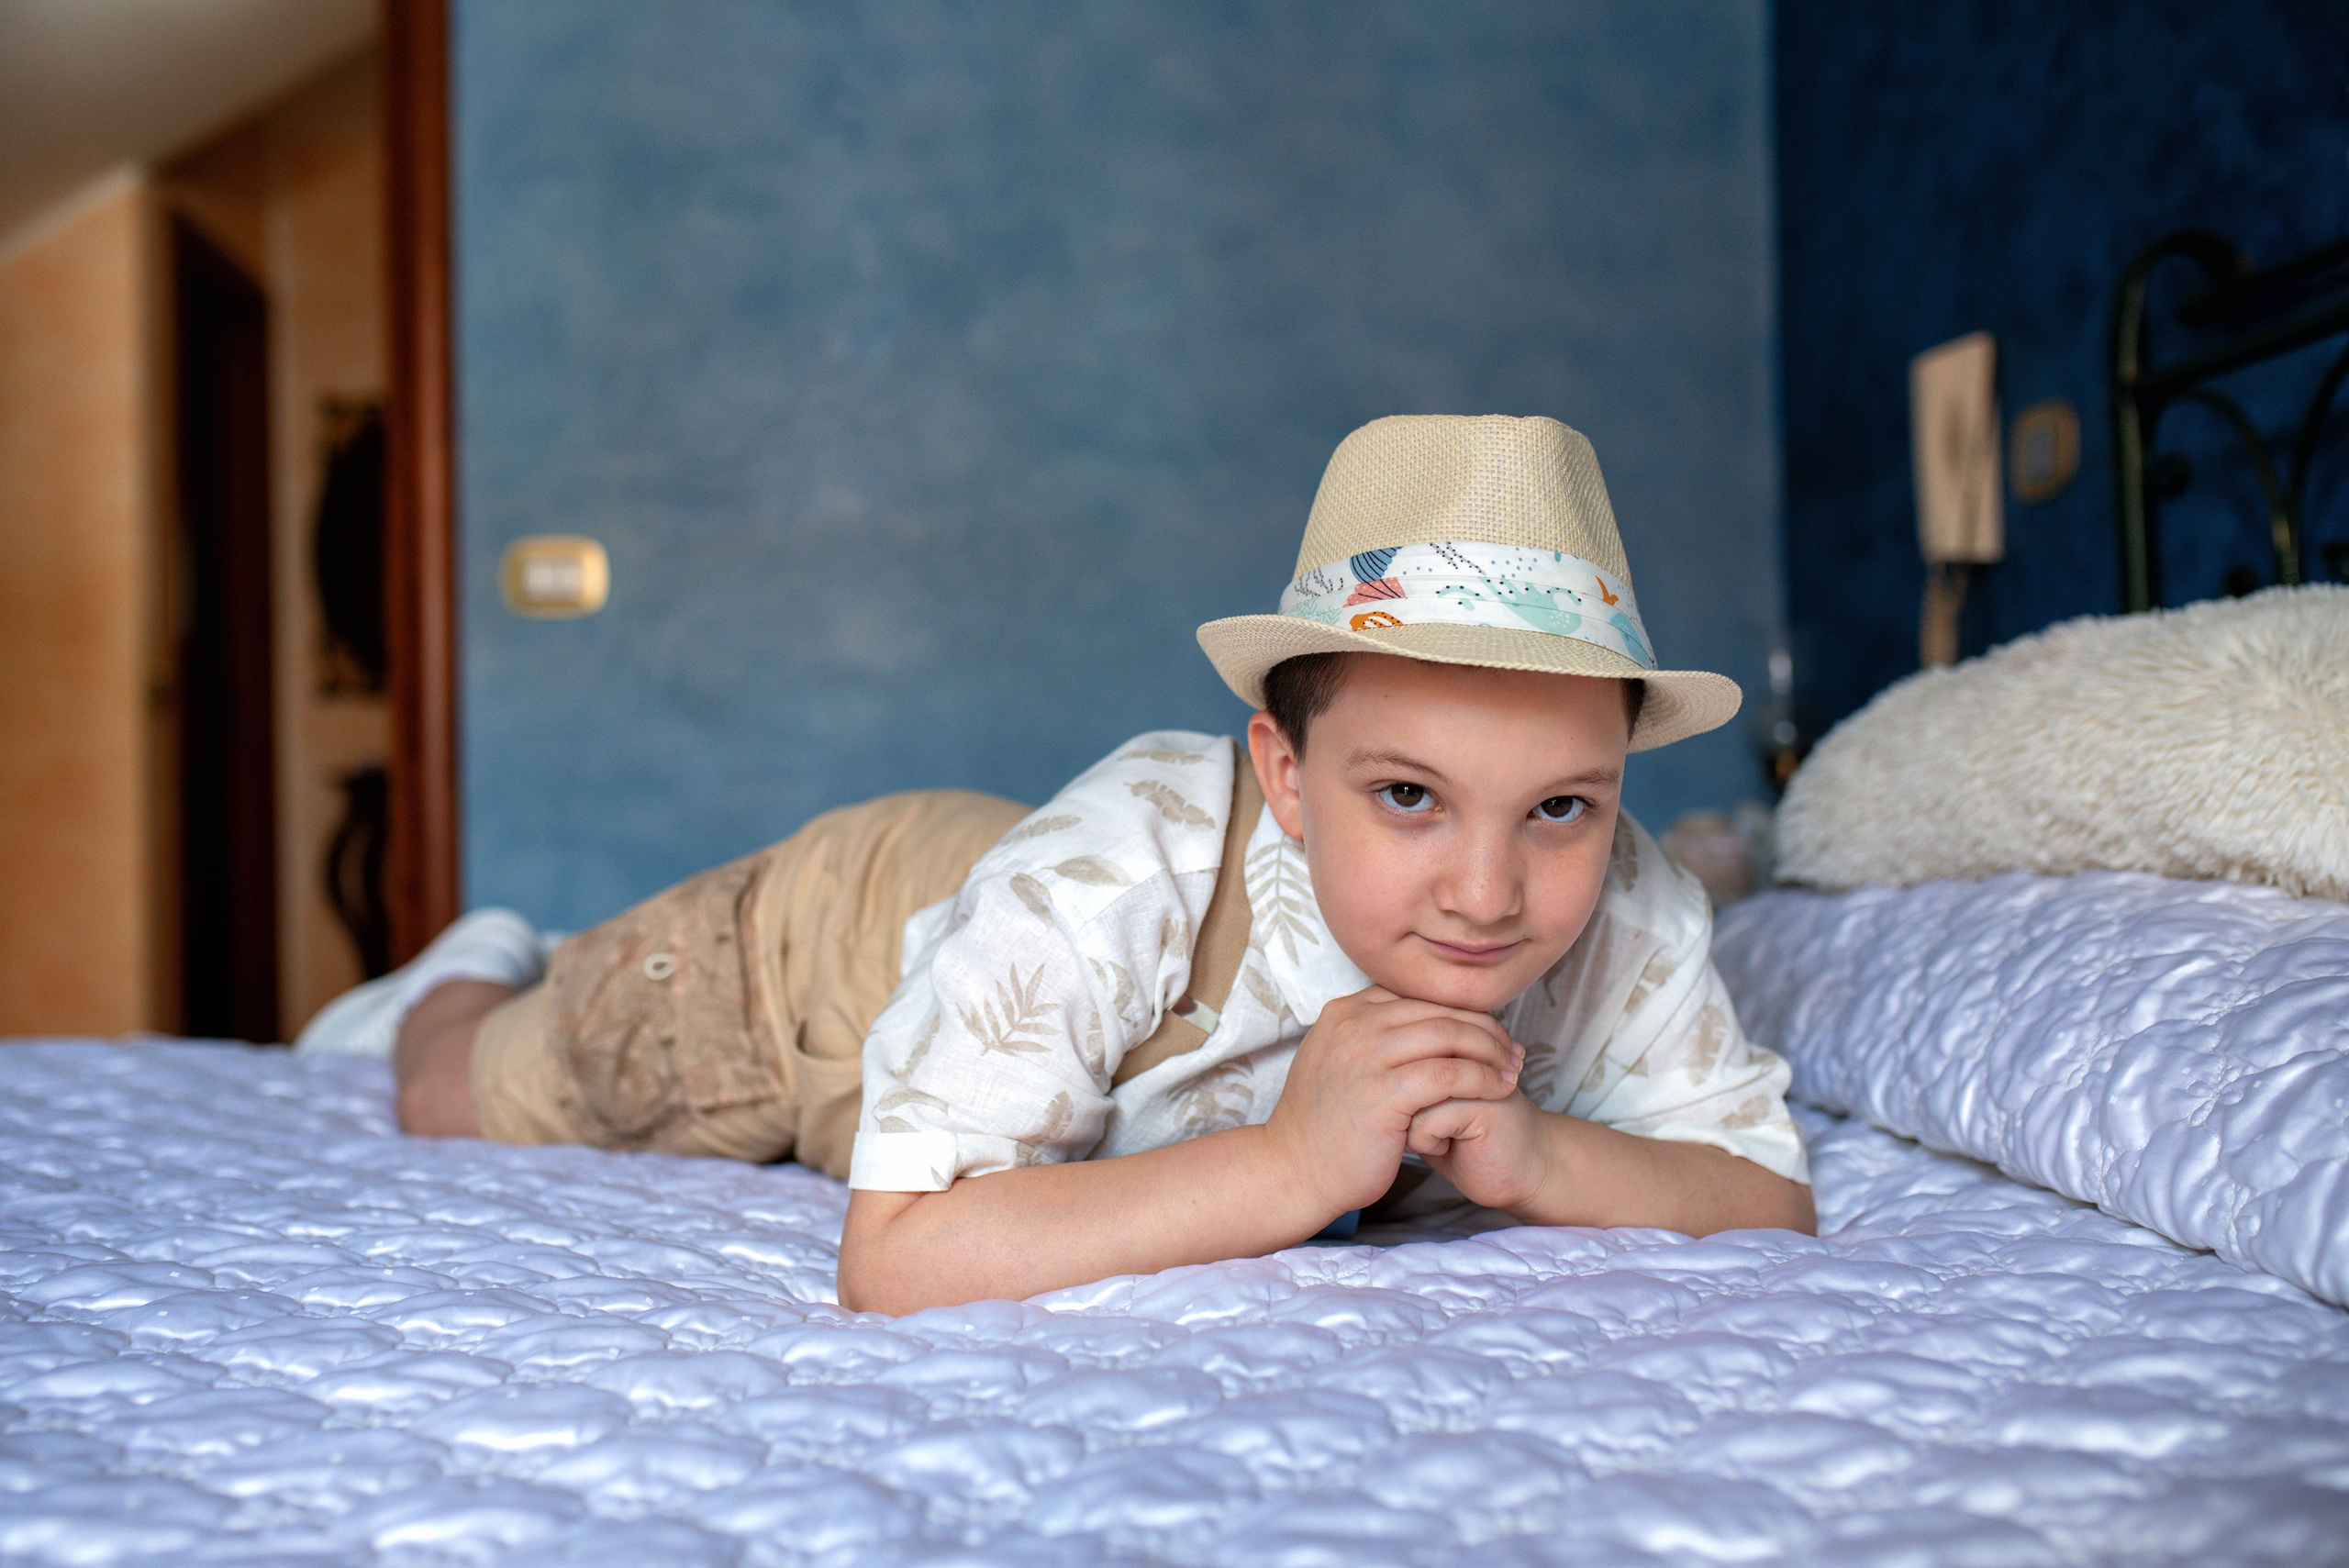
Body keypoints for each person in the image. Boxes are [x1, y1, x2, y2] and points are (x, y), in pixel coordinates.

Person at [306, 415, 1812, 1315]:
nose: (1490, 890)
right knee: (463, 1089)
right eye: (1410, 793)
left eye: (1560, 806)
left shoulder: (1623, 892)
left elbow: (1762, 1194)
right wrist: (1292, 1164)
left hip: (1001, 932)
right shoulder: (1127, 865)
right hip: (816, 960)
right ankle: (475, 959)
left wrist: (1545, 1157)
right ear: (1282, 774)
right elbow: (893, 1260)